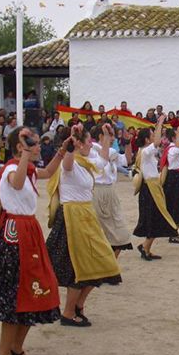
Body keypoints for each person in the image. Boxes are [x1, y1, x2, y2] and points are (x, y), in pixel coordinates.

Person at [0, 127, 66, 355]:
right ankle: (4, 352)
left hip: (28, 232)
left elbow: (47, 171)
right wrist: (24, 154)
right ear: (18, 148)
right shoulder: (12, 169)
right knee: (15, 295)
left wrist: (63, 150)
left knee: (32, 292)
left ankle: (16, 347)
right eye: (31, 143)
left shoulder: (29, 168)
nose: (36, 147)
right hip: (15, 235)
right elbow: (17, 182)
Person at [46, 126, 122, 327]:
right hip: (72, 218)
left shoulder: (87, 162)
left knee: (102, 264)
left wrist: (106, 137)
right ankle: (69, 313)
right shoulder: (70, 163)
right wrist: (69, 147)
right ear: (79, 144)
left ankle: (78, 306)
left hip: (86, 216)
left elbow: (104, 159)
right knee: (78, 267)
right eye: (89, 141)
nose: (92, 144)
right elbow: (68, 163)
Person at [133, 116, 179, 260]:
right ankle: (145, 247)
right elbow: (158, 142)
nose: (154, 138)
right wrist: (159, 123)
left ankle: (146, 247)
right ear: (147, 140)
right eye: (152, 136)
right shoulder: (146, 152)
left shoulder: (145, 152)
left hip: (151, 188)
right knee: (155, 218)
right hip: (150, 190)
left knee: (155, 218)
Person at [87, 125, 133, 258]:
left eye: (112, 135)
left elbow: (126, 160)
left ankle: (109, 265)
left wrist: (128, 143)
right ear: (101, 136)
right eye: (110, 135)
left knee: (119, 233)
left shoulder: (111, 151)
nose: (113, 138)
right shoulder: (91, 151)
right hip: (96, 190)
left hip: (110, 192)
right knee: (99, 232)